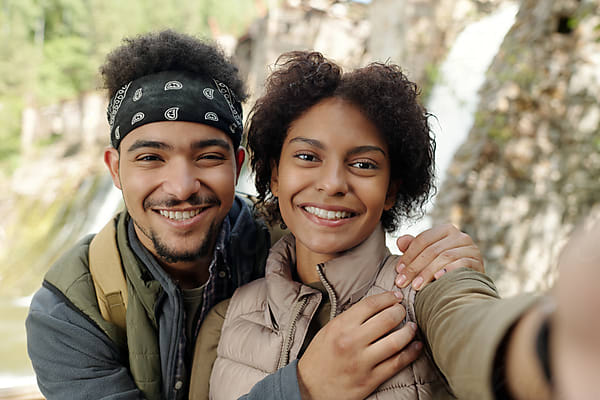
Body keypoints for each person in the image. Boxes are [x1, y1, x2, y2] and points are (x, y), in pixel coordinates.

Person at [25, 31, 483, 400]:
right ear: (115, 169)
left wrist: (448, 261)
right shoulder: (70, 310)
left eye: (207, 156)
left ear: (240, 166)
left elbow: (477, 334)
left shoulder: (296, 232)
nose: (182, 187)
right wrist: (303, 387)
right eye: (150, 158)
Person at [190, 51, 463, 399]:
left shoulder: (430, 298)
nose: (333, 183)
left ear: (392, 189)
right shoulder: (225, 321)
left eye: (364, 164)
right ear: (275, 175)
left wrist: (469, 283)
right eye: (307, 157)